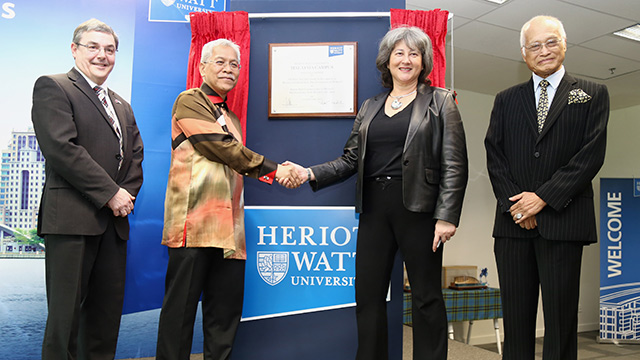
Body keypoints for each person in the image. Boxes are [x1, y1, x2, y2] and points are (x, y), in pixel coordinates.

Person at [282, 27, 468, 360]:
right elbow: (351, 159)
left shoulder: (441, 101)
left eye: (414, 53)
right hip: (374, 210)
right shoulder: (370, 106)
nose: (406, 60)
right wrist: (309, 172)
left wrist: (447, 217)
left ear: (423, 61)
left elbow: (455, 164)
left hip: (420, 210)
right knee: (367, 297)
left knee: (426, 297)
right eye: (399, 53)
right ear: (387, 60)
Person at [156, 38, 299, 360]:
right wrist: (276, 171)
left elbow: (235, 160)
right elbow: (219, 147)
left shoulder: (232, 117)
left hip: (230, 233)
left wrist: (270, 171)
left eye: (234, 64)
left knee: (224, 316)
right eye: (220, 62)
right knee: (179, 314)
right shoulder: (189, 101)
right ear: (202, 66)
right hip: (192, 227)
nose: (228, 69)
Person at [484, 15, 609, 360]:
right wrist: (518, 207)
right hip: (513, 227)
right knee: (517, 322)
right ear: (524, 54)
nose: (544, 50)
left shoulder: (592, 94)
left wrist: (542, 199)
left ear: (564, 44)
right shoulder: (506, 99)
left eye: (551, 41)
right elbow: (495, 156)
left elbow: (590, 156)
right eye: (535, 45)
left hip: (564, 222)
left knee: (560, 323)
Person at [31, 18, 144, 359]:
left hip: (114, 225)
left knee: (104, 321)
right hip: (71, 222)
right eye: (93, 47)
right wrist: (111, 194)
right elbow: (62, 149)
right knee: (64, 323)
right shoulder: (53, 86)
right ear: (74, 49)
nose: (102, 55)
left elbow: (135, 156)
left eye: (109, 49)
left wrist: (124, 197)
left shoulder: (121, 103)